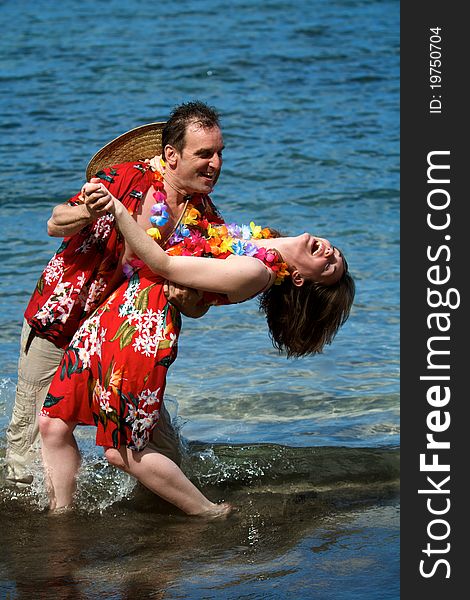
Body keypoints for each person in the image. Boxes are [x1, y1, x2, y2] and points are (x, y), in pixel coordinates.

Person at [38, 181, 355, 517]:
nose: (331, 253)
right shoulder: (255, 240)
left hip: (141, 329)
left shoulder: (255, 270)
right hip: (112, 312)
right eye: (336, 252)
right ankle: (61, 517)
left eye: (331, 267)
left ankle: (207, 511)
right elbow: (192, 258)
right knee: (53, 424)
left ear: (301, 280)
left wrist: (117, 209)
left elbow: (166, 265)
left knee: (122, 451)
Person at [5, 101, 227, 488]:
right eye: (204, 154)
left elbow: (198, 308)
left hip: (125, 342)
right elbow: (55, 222)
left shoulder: (207, 222)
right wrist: (88, 212)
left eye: (220, 153)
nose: (215, 163)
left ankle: (155, 517)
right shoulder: (126, 178)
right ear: (171, 156)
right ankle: (36, 527)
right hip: (62, 321)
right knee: (26, 458)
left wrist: (184, 297)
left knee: (166, 453)